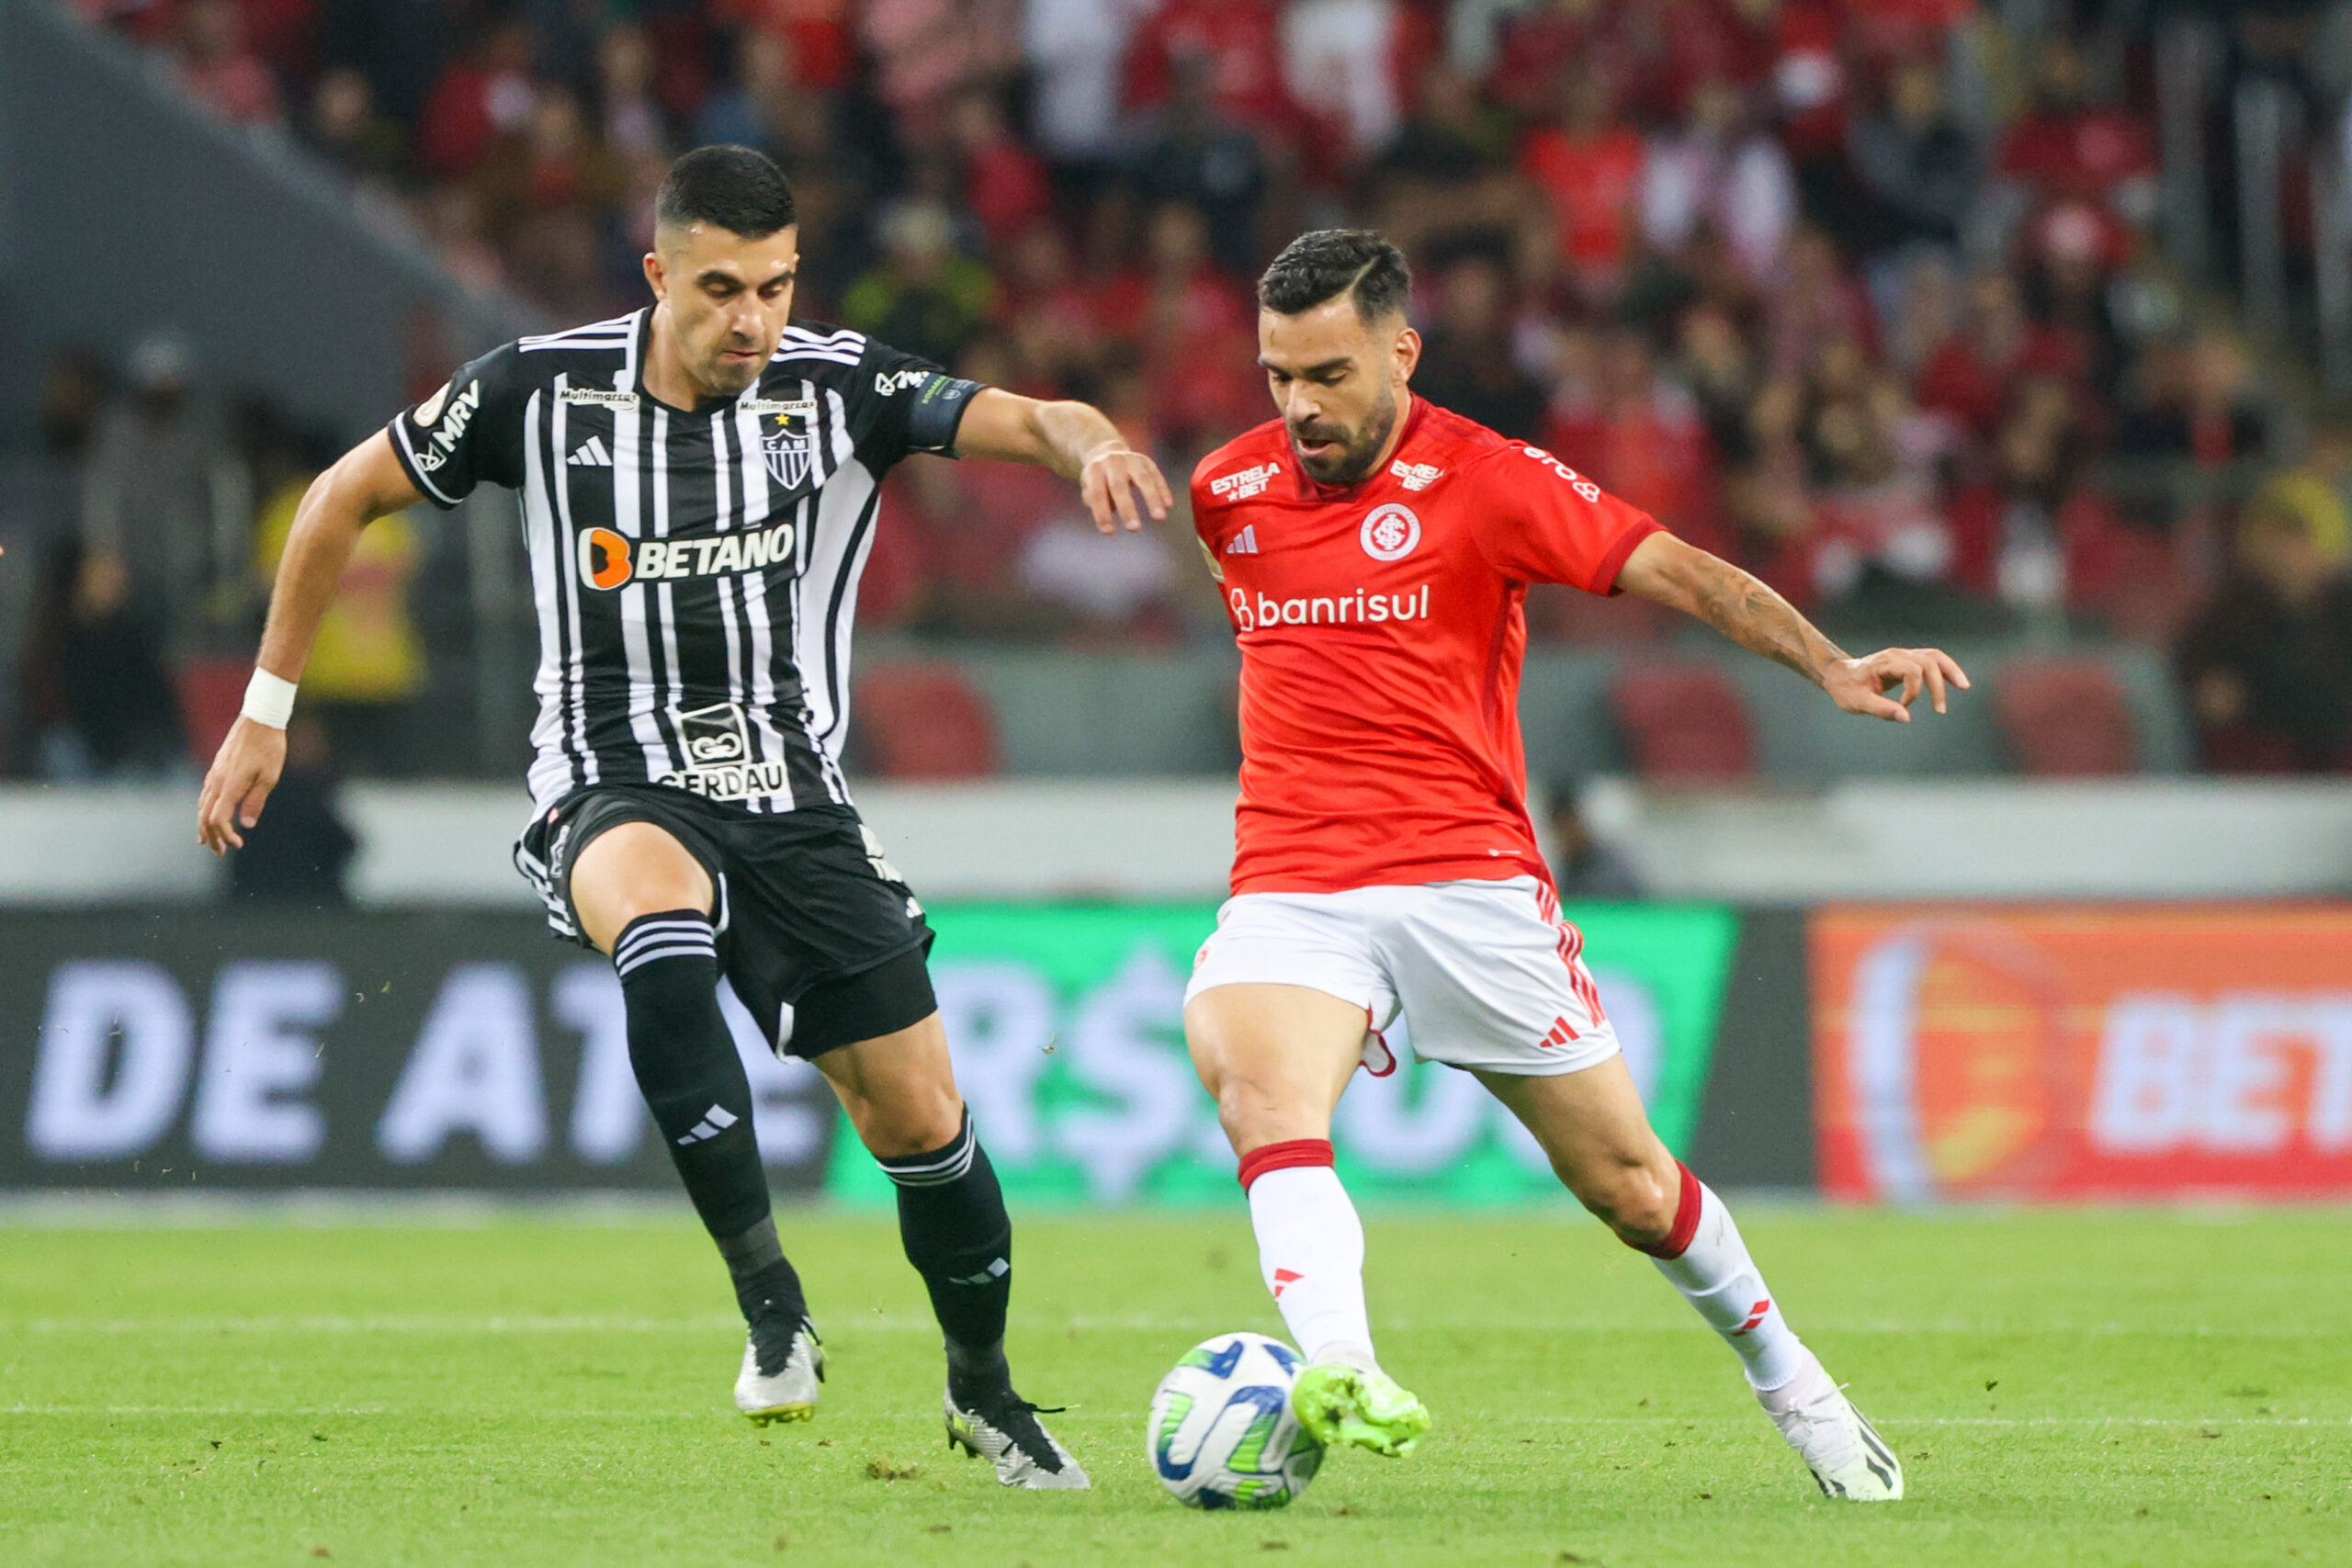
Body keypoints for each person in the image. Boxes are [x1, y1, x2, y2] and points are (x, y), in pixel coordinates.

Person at [197, 145, 1172, 1490]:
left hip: (796, 804)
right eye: (720, 288)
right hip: (613, 778)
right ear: (659, 275)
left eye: (773, 286)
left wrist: (1097, 441)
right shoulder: (538, 391)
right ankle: (773, 1308)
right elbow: (340, 496)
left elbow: (1029, 414)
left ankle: (987, 1395)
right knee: (659, 929)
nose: (751, 320)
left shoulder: (837, 385)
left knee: (921, 1124)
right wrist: (267, 706)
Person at [1184, 230, 1966, 1500]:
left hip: (1465, 882)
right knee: (1263, 1097)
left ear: (1401, 350)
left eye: (1326, 374)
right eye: (1276, 375)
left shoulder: (1487, 481)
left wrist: (1826, 662)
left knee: (1629, 1184)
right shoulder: (1228, 491)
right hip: (1293, 879)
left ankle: (1795, 1385)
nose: (1297, 406)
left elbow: (1673, 570)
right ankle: (1336, 1364)